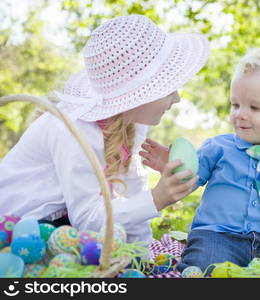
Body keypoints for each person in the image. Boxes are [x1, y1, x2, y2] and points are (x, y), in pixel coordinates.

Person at [0, 14, 209, 247]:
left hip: (60, 223)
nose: (177, 98)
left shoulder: (133, 122)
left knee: (114, 248)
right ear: (141, 94)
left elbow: (132, 193)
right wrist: (157, 198)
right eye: (169, 89)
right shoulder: (75, 129)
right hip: (18, 228)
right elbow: (87, 219)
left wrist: (144, 255)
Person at [139, 45, 260, 273]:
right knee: (206, 265)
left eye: (254, 107)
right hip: (217, 236)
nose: (240, 114)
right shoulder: (218, 147)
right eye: (236, 105)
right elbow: (187, 181)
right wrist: (174, 169)